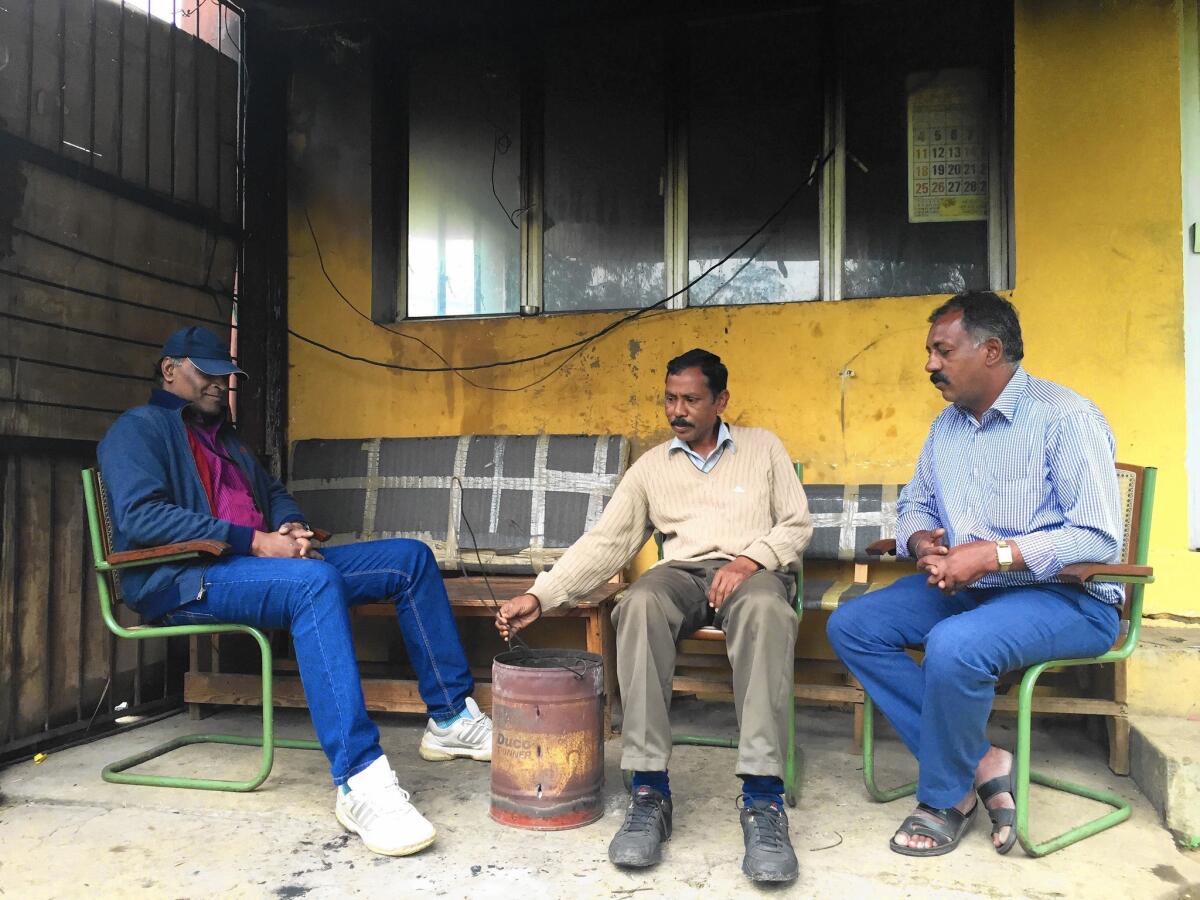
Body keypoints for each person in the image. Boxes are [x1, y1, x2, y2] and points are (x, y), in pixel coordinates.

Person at [98, 325, 493, 858]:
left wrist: (289, 528)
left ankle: (450, 719)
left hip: (263, 566)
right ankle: (359, 779)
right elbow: (141, 517)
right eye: (207, 373)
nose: (219, 384)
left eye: (225, 375)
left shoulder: (228, 442)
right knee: (313, 583)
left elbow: (275, 493)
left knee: (409, 559)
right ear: (171, 370)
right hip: (186, 580)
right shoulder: (138, 430)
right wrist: (254, 542)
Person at [495, 348, 812, 884]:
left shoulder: (763, 449)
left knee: (764, 610)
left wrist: (748, 559)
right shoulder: (651, 468)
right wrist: (541, 595)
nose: (677, 410)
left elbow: (798, 525)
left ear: (721, 401)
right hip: (682, 573)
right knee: (636, 603)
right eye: (670, 399)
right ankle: (648, 791)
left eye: (691, 399)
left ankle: (763, 799)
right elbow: (606, 544)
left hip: (751, 570)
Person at [827, 292, 1123, 857]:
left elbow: (1098, 539)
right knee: (855, 625)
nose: (929, 364)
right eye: (929, 351)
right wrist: (923, 540)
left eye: (942, 350)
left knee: (955, 645)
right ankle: (980, 760)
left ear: (991, 351)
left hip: (1068, 597)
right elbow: (916, 502)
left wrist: (993, 555)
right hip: (973, 589)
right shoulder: (948, 427)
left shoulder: (1066, 417)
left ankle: (945, 795)